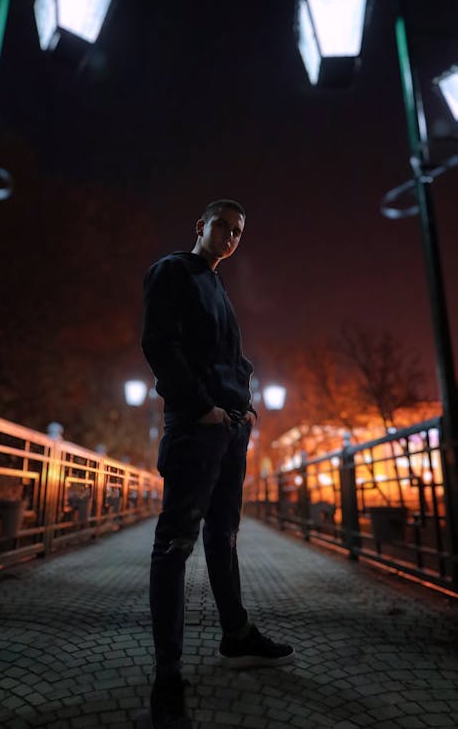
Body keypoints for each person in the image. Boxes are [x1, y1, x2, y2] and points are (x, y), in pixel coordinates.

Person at [141, 199, 294, 729]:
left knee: (223, 533)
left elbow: (231, 356)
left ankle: (235, 633)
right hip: (196, 425)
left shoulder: (218, 286)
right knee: (175, 542)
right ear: (199, 226)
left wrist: (243, 405)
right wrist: (200, 406)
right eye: (222, 226)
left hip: (229, 427)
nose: (230, 237)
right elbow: (159, 343)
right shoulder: (173, 271)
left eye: (238, 232)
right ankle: (167, 676)